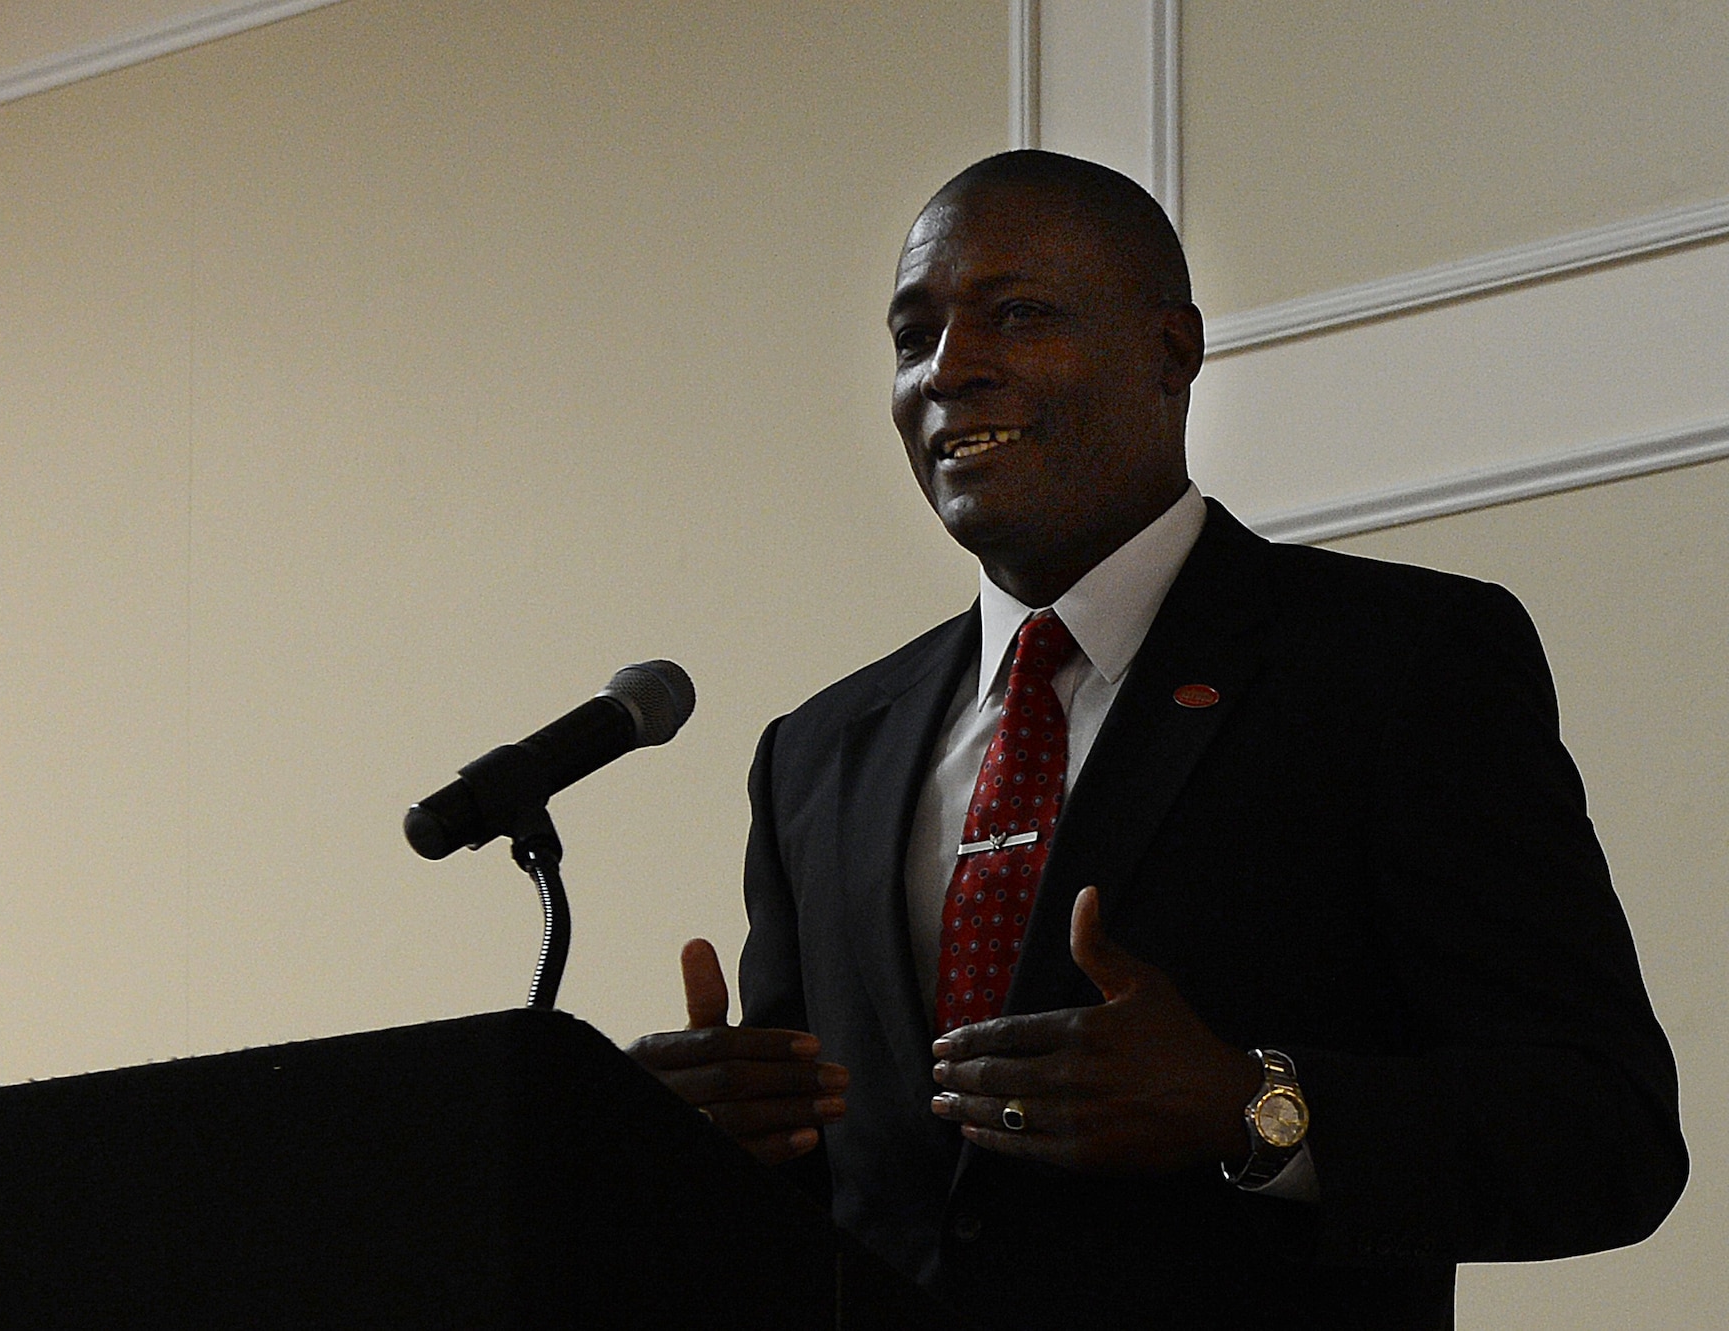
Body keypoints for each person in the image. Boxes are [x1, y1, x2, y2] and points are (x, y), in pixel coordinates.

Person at [628, 151, 1686, 1329]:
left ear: (1169, 353)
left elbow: (1605, 1132)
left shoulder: (1396, 663)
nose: (948, 370)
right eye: (911, 333)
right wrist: (696, 1151)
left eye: (1016, 314)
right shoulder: (819, 752)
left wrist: (1252, 1103)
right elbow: (846, 1198)